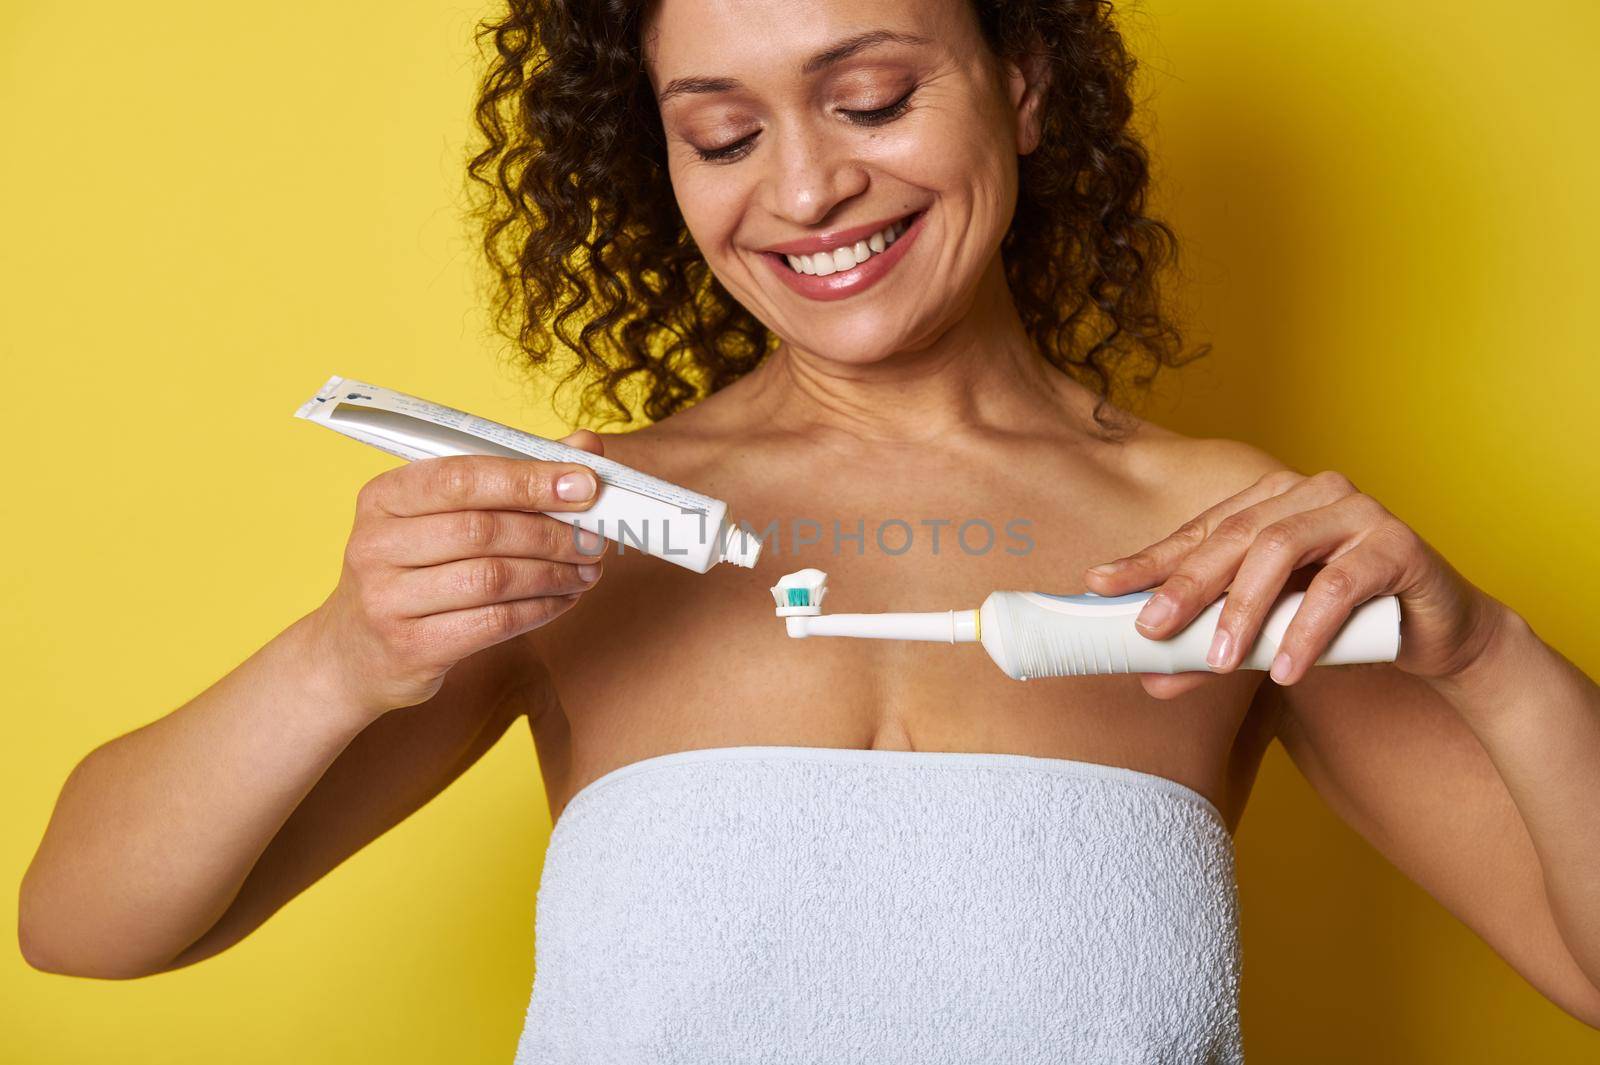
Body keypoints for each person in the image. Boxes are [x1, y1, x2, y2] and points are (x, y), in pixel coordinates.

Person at [20, 0, 1600, 1060]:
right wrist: (341, 657)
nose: (809, 187)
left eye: (872, 98)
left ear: (1027, 88)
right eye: (721, 134)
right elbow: (83, 925)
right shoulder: (587, 527)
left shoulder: (1221, 543)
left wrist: (1493, 654)